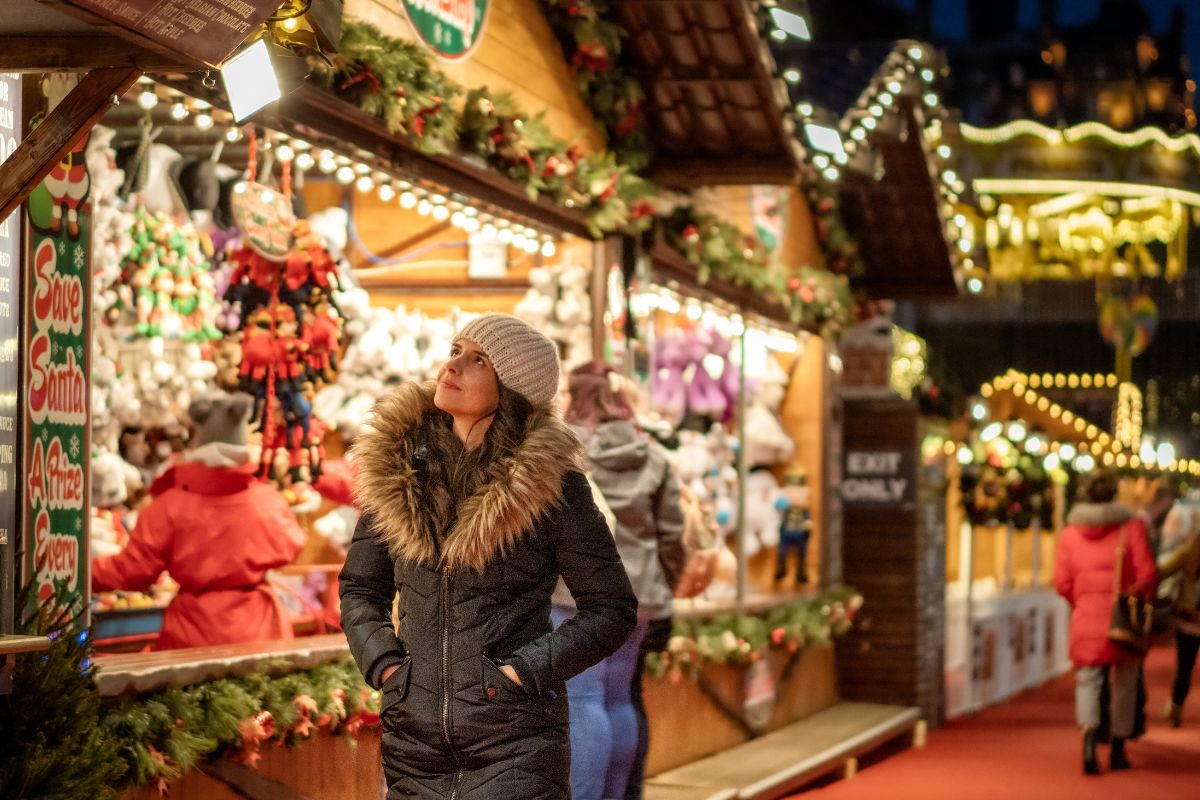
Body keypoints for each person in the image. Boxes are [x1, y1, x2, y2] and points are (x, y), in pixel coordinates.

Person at [340, 315, 637, 800]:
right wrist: (388, 668)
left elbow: (611, 609)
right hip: (413, 745)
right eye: (455, 349)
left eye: (477, 359)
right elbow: (360, 588)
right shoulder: (401, 473)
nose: (451, 365)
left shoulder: (550, 484)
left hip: (516, 742)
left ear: (512, 388)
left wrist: (522, 673)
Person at [557, 362, 686, 800]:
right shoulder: (651, 453)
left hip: (577, 593)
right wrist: (662, 590)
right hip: (640, 594)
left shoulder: (562, 448)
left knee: (582, 698)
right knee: (617, 697)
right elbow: (672, 534)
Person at [92, 391, 307, 649]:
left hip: (193, 635)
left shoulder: (169, 506)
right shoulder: (268, 500)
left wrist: (80, 571)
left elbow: (133, 572)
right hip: (262, 633)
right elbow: (293, 545)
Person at [1054, 469, 1156, 775]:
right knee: (1125, 682)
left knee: (1088, 681)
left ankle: (1088, 743)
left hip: (1086, 618)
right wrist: (1132, 597)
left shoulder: (1070, 534)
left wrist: (1082, 601)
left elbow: (1061, 581)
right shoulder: (1131, 527)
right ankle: (1118, 748)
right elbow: (1147, 573)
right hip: (1122, 619)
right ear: (1113, 495)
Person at [1157, 498, 1200, 726]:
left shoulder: (1189, 550)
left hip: (1189, 619)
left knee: (1184, 667)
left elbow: (1163, 570)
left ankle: (1176, 706)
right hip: (1190, 619)